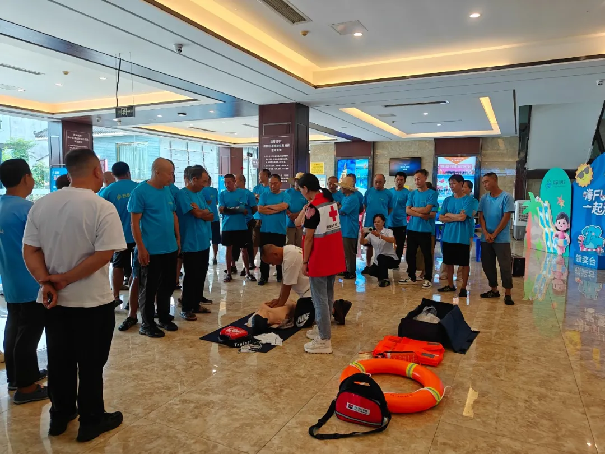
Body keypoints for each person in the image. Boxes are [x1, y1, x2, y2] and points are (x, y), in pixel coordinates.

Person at [23, 148, 126, 442]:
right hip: (92, 302)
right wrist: (66, 279)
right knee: (91, 364)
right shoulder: (101, 206)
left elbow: (30, 250)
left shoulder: (41, 205)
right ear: (96, 171)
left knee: (59, 360)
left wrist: (46, 282)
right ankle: (91, 420)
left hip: (54, 301)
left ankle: (60, 415)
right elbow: (104, 254)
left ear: (69, 173)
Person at [0, 159, 48, 405]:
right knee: (29, 334)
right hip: (32, 281)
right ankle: (27, 388)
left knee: (14, 328)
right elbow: (43, 246)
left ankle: (16, 377)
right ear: (26, 178)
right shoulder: (28, 209)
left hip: (10, 281)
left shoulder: (2, 206)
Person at [128, 158, 180, 338]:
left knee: (167, 285)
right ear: (157, 172)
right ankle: (147, 324)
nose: (172, 177)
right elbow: (134, 223)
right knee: (148, 289)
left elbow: (173, 214)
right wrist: (141, 248)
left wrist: (178, 238)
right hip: (151, 250)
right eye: (169, 173)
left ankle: (164, 317)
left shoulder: (168, 190)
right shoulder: (140, 192)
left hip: (169, 248)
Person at [299, 173, 346, 354]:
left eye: (300, 189)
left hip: (319, 258)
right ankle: (322, 328)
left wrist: (305, 261)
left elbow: (309, 238)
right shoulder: (330, 201)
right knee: (327, 295)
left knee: (319, 299)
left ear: (305, 189)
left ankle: (324, 340)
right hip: (333, 255)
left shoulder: (313, 207)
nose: (300, 192)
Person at [255, 245, 352, 330]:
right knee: (298, 309)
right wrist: (279, 299)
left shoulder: (290, 259)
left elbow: (287, 286)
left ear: (275, 254)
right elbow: (285, 281)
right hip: (312, 291)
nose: (272, 265)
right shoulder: (288, 250)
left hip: (312, 293)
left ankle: (335, 308)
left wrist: (279, 304)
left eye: (270, 262)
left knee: (300, 322)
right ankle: (328, 305)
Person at [175, 166, 214, 321]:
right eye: (203, 181)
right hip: (190, 242)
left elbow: (211, 215)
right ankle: (186, 307)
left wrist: (201, 212)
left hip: (204, 241)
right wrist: (201, 212)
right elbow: (197, 213)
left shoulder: (200, 194)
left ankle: (196, 303)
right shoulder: (182, 194)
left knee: (201, 274)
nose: (205, 185)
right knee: (191, 276)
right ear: (194, 179)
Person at [99, 162, 138, 308]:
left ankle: (115, 295)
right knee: (137, 268)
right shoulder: (139, 188)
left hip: (118, 236)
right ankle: (133, 300)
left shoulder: (107, 191)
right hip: (138, 236)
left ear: (114, 175)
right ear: (128, 173)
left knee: (118, 265)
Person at [478, 172, 516, 305]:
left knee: (505, 266)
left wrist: (494, 234)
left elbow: (506, 218)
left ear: (495, 180)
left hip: (501, 239)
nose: (485, 184)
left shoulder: (506, 197)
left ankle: (508, 293)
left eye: (487, 181)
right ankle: (493, 289)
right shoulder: (484, 198)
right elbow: (481, 216)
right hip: (486, 238)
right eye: (483, 182)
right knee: (487, 265)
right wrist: (485, 233)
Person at [400, 169, 438, 289]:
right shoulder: (412, 194)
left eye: (419, 178)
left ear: (425, 178)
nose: (417, 181)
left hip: (425, 230)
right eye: (415, 179)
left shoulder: (432, 194)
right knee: (410, 254)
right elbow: (407, 210)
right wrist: (421, 214)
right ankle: (411, 276)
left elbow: (428, 210)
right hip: (412, 228)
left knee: (427, 255)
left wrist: (414, 209)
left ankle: (428, 278)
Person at [438, 175, 474, 297]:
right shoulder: (447, 200)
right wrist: (456, 216)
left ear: (461, 183)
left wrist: (449, 215)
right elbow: (441, 217)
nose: (451, 186)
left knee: (464, 263)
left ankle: (463, 287)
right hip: (448, 236)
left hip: (462, 236)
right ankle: (450, 285)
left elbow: (463, 217)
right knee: (448, 262)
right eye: (450, 184)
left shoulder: (468, 200)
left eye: (454, 183)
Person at [258, 174, 290, 285]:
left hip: (279, 230)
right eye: (271, 183)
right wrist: (276, 208)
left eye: (275, 183)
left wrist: (268, 207)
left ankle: (280, 276)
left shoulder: (285, 195)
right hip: (265, 230)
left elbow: (284, 206)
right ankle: (264, 277)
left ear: (280, 183)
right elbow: (260, 209)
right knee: (264, 254)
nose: (272, 186)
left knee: (280, 254)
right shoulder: (264, 195)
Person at [219, 174, 250, 283]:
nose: (227, 185)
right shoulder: (222, 194)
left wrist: (227, 209)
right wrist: (237, 210)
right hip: (227, 226)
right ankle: (228, 273)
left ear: (234, 182)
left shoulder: (242, 193)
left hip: (240, 226)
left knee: (244, 249)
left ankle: (247, 272)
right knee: (228, 249)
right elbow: (221, 209)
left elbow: (242, 207)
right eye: (225, 183)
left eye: (229, 182)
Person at [362, 174, 393, 273]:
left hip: (382, 226)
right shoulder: (368, 192)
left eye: (380, 182)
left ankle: (380, 266)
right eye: (376, 182)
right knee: (368, 246)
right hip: (369, 224)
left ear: (384, 182)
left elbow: (390, 208)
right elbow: (365, 205)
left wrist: (382, 219)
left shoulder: (388, 194)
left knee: (382, 246)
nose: (378, 184)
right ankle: (368, 265)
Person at [230, 174, 257, 281]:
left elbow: (254, 208)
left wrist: (247, 215)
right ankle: (232, 266)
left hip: (246, 222)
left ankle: (248, 268)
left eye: (235, 180)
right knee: (233, 245)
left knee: (246, 246)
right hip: (234, 223)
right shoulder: (232, 193)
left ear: (241, 181)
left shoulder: (248, 194)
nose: (234, 182)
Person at [360, 214, 398, 287]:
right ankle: (383, 275)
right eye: (375, 222)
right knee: (371, 271)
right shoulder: (371, 234)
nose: (376, 223)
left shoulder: (388, 231)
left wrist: (380, 236)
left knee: (381, 257)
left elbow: (392, 240)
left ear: (383, 222)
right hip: (378, 260)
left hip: (390, 258)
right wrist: (362, 235)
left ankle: (384, 280)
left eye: (378, 222)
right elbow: (363, 242)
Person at [338, 176, 360, 280]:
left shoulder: (353, 198)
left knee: (349, 252)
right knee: (345, 251)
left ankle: (351, 271)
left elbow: (342, 211)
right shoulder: (345, 197)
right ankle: (346, 269)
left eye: (342, 186)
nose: (340, 188)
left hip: (350, 229)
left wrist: (338, 207)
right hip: (344, 228)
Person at [389, 172, 410, 266]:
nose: (399, 182)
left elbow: (410, 207)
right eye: (397, 179)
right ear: (394, 180)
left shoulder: (408, 193)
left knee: (400, 244)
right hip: (389, 222)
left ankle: (396, 262)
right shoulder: (389, 192)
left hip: (401, 223)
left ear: (404, 181)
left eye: (401, 180)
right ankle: (388, 260)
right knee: (388, 243)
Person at [252, 169, 272, 265]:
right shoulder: (256, 188)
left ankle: (265, 262)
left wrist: (259, 197)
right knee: (255, 242)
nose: (259, 177)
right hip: (256, 218)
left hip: (268, 219)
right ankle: (251, 262)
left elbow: (270, 203)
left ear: (266, 176)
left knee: (266, 243)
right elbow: (254, 201)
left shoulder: (271, 189)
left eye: (260, 175)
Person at [202, 175, 221, 265]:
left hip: (213, 218)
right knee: (212, 239)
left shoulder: (213, 190)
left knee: (213, 239)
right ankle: (212, 257)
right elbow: (215, 202)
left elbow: (216, 201)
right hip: (208, 218)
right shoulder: (202, 190)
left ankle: (213, 257)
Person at [286, 173, 307, 248]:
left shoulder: (305, 193)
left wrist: (296, 215)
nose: (298, 183)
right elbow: (284, 205)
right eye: (297, 181)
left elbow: (306, 207)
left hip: (301, 223)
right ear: (294, 181)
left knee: (300, 245)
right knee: (289, 244)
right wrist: (290, 215)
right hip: (289, 222)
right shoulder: (288, 192)